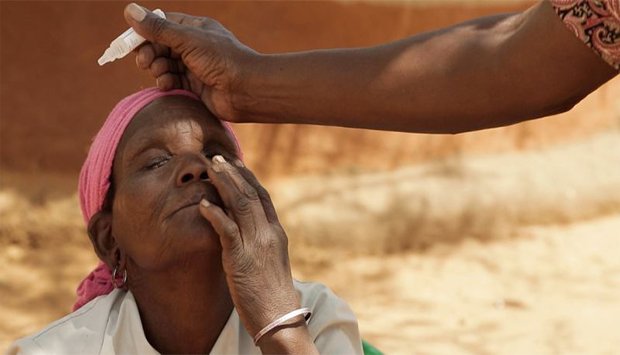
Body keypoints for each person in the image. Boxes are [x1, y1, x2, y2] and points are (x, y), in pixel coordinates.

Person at [8, 88, 362, 354]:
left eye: (216, 154)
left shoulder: (315, 317)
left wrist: (280, 327)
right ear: (109, 239)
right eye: (156, 162)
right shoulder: (57, 350)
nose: (196, 167)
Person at [122, 0, 618, 134]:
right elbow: (511, 60)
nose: (194, 174)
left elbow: (513, 63)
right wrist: (246, 84)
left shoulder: (323, 321)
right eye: (156, 163)